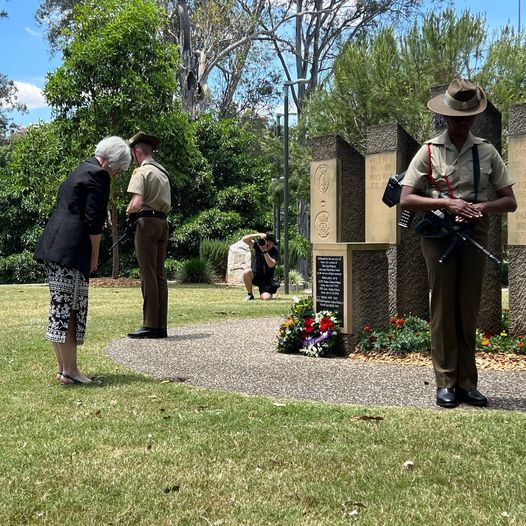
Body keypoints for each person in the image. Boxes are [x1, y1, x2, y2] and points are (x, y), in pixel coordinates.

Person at [400, 79, 517, 408]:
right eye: (456, 117)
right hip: (439, 236)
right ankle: (446, 381)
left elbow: (510, 202)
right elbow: (407, 198)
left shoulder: (487, 151)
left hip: (475, 232)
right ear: (446, 116)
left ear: (475, 118)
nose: (462, 122)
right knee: (442, 307)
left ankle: (467, 382)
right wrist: (447, 205)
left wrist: (480, 208)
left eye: (468, 117)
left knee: (468, 309)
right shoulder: (429, 151)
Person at [34, 136, 131, 385]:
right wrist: (95, 256)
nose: (117, 175)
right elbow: (94, 222)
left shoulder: (80, 169)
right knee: (70, 311)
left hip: (55, 248)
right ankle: (71, 370)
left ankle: (63, 369)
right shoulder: (98, 175)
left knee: (60, 308)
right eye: (119, 170)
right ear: (110, 163)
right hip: (72, 250)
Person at [126, 132, 172, 339]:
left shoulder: (141, 172)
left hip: (146, 223)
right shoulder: (163, 173)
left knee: (148, 275)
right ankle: (161, 325)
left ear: (137, 152)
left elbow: (136, 203)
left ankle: (150, 325)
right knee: (159, 275)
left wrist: (128, 215)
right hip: (162, 223)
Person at [242, 232, 280, 301]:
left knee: (266, 298)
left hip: (266, 279)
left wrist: (264, 251)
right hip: (255, 275)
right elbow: (244, 240)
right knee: (246, 272)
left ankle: (268, 291)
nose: (268, 243)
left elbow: (271, 265)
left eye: (270, 242)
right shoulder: (258, 246)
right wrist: (257, 235)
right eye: (267, 241)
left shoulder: (275, 251)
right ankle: (250, 294)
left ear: (273, 244)